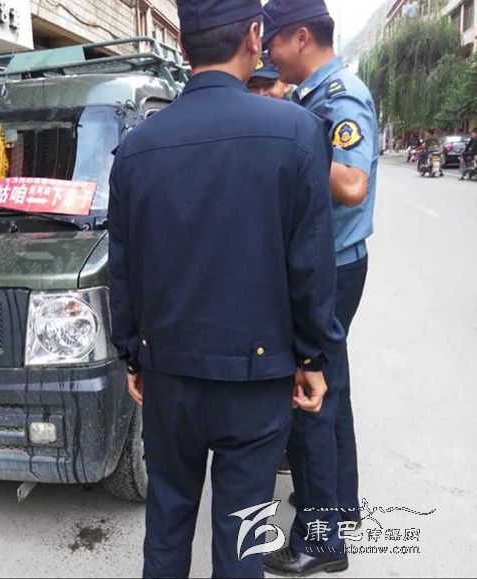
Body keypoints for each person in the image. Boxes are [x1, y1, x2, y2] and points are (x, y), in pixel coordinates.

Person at [108, 1, 343, 576]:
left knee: (167, 521)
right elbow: (311, 266)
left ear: (183, 46)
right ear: (254, 37)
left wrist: (132, 353)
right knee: (243, 536)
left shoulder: (137, 146)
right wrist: (312, 358)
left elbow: (124, 267)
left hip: (169, 373)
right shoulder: (296, 132)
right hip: (256, 381)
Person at [263, 0, 379, 574]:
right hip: (331, 263)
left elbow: (353, 184)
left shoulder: (340, 98)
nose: (269, 55)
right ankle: (339, 505)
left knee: (309, 393)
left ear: (301, 37)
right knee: (334, 385)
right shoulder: (312, 98)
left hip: (330, 268)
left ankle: (320, 539)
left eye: (273, 43)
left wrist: (294, 139)